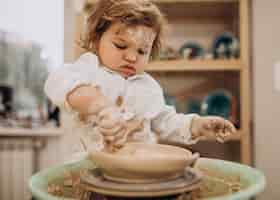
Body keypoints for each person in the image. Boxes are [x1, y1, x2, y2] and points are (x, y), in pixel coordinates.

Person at [44, 0, 236, 152]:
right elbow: (58, 82)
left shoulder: (148, 86)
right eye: (120, 45)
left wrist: (198, 124)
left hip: (135, 176)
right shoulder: (89, 69)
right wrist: (100, 106)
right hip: (87, 174)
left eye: (143, 51)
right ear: (96, 40)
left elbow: (166, 121)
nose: (131, 57)